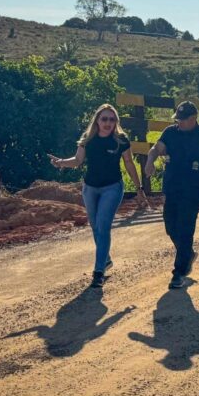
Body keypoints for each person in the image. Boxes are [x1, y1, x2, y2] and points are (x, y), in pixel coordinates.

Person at [50, 103, 148, 288]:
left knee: (103, 226)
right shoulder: (88, 139)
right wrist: (61, 162)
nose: (108, 123)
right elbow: (78, 160)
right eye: (104, 119)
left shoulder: (121, 140)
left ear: (116, 122)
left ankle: (98, 272)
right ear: (97, 120)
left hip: (112, 188)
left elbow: (129, 163)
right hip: (90, 188)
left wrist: (139, 188)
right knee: (95, 227)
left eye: (112, 119)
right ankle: (106, 260)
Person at [145, 101, 199, 289]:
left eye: (182, 120)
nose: (178, 122)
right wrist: (150, 160)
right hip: (172, 188)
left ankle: (179, 272)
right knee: (170, 227)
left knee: (185, 228)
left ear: (193, 119)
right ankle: (188, 254)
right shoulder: (170, 133)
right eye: (177, 119)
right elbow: (157, 148)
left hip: (193, 190)